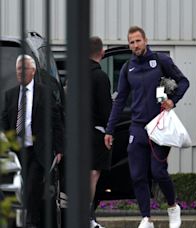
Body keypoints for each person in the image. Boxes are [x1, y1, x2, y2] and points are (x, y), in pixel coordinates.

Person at [104, 26, 189, 228]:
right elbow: (120, 100)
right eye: (131, 42)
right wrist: (109, 129)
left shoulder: (161, 61)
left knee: (158, 172)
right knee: (137, 174)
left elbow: (184, 82)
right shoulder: (127, 68)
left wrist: (173, 101)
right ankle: (146, 218)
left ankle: (173, 207)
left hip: (159, 125)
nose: (135, 45)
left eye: (138, 41)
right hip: (137, 127)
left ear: (145, 40)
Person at [1, 54, 64, 227]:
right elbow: (5, 121)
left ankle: (29, 222)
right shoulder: (10, 95)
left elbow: (56, 121)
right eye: (18, 69)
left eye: (24, 68)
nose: (21, 72)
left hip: (37, 151)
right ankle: (27, 221)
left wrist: (59, 149)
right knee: (19, 191)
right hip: (16, 153)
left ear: (33, 71)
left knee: (30, 190)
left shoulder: (44, 93)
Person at [88, 36, 112, 228]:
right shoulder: (100, 77)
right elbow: (106, 110)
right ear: (102, 53)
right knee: (92, 176)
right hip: (95, 135)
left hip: (74, 134)